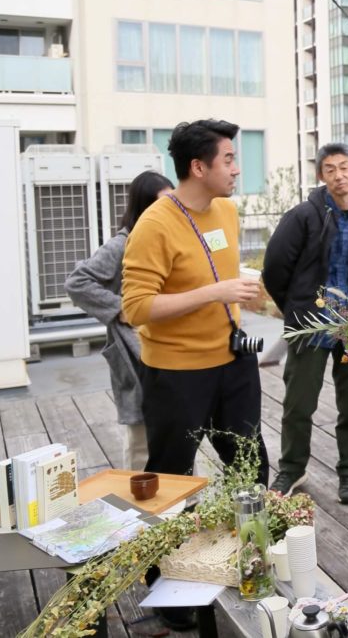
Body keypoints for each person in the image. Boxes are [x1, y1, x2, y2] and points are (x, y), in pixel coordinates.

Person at [122, 119, 269, 484]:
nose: (237, 169)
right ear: (199, 168)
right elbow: (136, 308)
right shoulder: (154, 225)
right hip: (177, 373)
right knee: (172, 477)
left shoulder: (227, 211)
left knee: (251, 466)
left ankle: (255, 524)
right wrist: (215, 293)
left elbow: (213, 270)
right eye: (228, 159)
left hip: (235, 361)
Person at [262, 144, 348, 504]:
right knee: (299, 403)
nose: (339, 175)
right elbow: (274, 268)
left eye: (344, 167)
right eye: (330, 169)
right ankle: (292, 468)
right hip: (312, 323)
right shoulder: (303, 216)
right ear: (321, 175)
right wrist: (295, 308)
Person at [65, 170, 174, 471]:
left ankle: (185, 495)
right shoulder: (122, 244)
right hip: (135, 350)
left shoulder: (167, 238)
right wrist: (122, 308)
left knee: (178, 432)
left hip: (169, 349)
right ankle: (140, 498)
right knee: (141, 440)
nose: (169, 210)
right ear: (143, 206)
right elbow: (77, 282)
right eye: (161, 203)